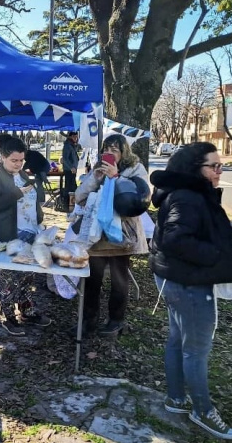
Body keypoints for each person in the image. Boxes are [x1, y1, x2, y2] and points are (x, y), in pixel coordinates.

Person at [150, 142, 232, 440]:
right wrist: (216, 254)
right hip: (187, 282)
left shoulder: (188, 193)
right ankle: (202, 410)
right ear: (194, 169)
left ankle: (176, 399)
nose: (219, 172)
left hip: (176, 278)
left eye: (220, 166)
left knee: (178, 341)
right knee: (195, 350)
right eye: (214, 167)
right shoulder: (188, 196)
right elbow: (176, 239)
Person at [74, 134, 149, 338]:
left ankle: (116, 321)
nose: (108, 154)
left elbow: (139, 199)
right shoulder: (98, 169)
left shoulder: (135, 169)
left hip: (122, 234)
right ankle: (88, 322)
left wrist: (116, 177)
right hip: (97, 235)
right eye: (106, 150)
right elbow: (79, 197)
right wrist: (94, 179)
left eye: (114, 150)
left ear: (124, 151)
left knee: (119, 280)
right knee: (91, 281)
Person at [0, 138, 52, 336]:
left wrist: (39, 214)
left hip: (28, 233)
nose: (19, 164)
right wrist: (15, 194)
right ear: (3, 157)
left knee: (27, 274)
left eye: (21, 160)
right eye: (14, 160)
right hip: (6, 236)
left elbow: (32, 199)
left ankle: (27, 310)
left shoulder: (22, 174)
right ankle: (8, 316)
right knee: (8, 278)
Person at [61, 131, 81, 210]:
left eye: (76, 137)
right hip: (69, 170)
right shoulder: (67, 146)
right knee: (69, 187)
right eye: (74, 137)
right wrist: (71, 167)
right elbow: (65, 159)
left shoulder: (72, 145)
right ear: (70, 137)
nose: (76, 139)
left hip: (73, 169)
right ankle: (67, 205)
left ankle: (71, 205)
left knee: (72, 187)